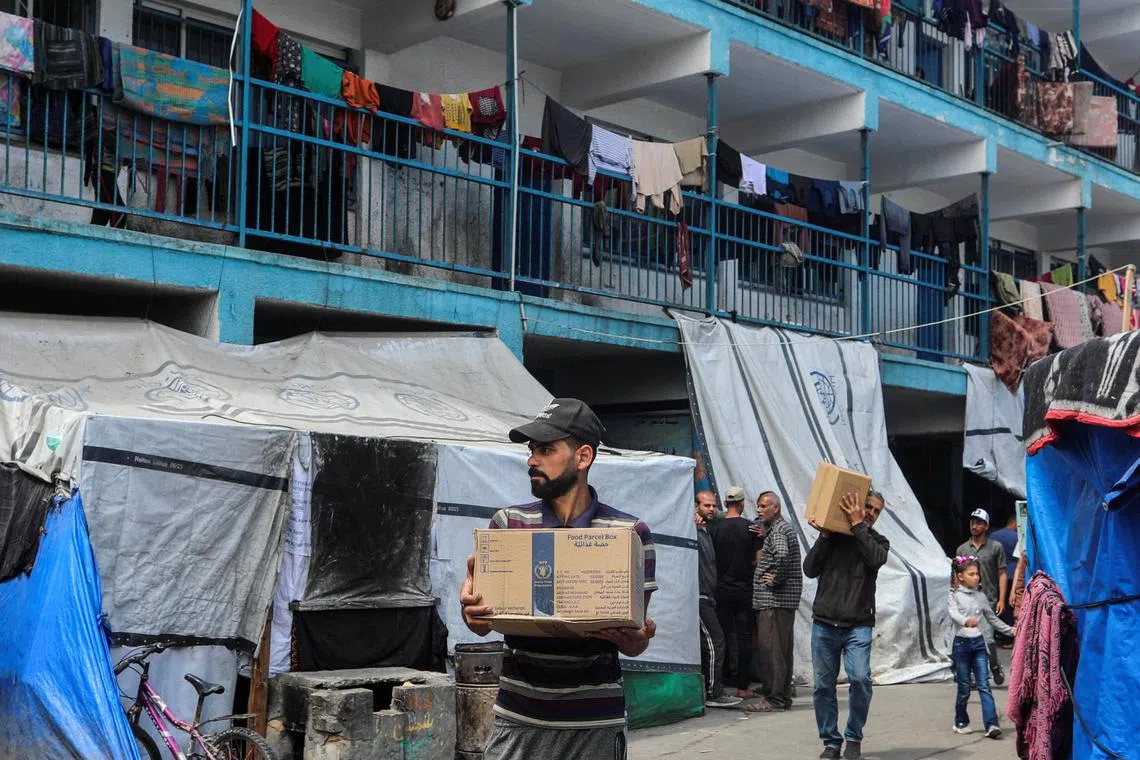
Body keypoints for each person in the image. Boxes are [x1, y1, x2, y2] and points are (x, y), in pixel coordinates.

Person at [459, 398, 657, 760]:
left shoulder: (629, 535)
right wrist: (472, 613)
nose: (532, 460)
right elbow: (482, 626)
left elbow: (635, 643)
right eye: (532, 450)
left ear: (583, 457)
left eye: (546, 449)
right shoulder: (509, 526)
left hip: (594, 725)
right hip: (519, 718)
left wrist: (634, 638)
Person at [803, 490, 889, 760]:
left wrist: (857, 525)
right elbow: (810, 568)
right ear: (857, 504)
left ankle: (853, 737)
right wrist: (825, 535)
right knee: (822, 686)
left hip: (858, 624)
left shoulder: (878, 541)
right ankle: (831, 742)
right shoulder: (834, 536)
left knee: (861, 679)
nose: (872, 513)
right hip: (825, 623)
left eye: (876, 511)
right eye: (868, 507)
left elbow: (875, 559)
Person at [948, 556, 1015, 738]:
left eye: (977, 574)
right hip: (961, 645)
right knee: (964, 687)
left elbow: (992, 619)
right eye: (971, 574)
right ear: (960, 576)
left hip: (978, 644)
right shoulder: (954, 596)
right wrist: (965, 621)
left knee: (984, 685)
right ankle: (961, 721)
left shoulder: (981, 597)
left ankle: (991, 724)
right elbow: (953, 613)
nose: (976, 577)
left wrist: (1011, 630)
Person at [747, 491, 802, 713]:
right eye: (758, 506)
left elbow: (781, 555)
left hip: (774, 601)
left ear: (775, 508)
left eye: (763, 506)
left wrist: (775, 579)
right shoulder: (779, 528)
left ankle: (775, 698)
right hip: (781, 602)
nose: (759, 510)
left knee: (772, 650)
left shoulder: (779, 529)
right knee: (782, 649)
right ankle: (781, 693)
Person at [710, 485, 762, 699]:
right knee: (744, 638)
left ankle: (719, 684)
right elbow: (758, 561)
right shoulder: (752, 529)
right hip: (744, 591)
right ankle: (742, 687)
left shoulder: (715, 530)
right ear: (742, 504)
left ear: (724, 504)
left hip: (720, 591)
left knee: (720, 637)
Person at [696, 490, 742, 708]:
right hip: (698, 597)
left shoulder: (706, 529)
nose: (712, 509)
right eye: (706, 506)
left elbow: (727, 515)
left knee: (711, 643)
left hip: (708, 595)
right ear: (695, 507)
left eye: (714, 505)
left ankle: (710, 689)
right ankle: (714, 692)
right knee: (716, 642)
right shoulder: (692, 530)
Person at [956, 509, 1008, 684]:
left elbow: (1001, 573)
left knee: (986, 637)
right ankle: (976, 674)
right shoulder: (962, 549)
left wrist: (1001, 599)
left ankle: (989, 668)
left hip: (988, 599)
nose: (974, 526)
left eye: (978, 523)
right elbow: (956, 576)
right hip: (966, 600)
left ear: (986, 526)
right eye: (972, 522)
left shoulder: (995, 547)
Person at [989, 514, 1019, 642]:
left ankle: (997, 632)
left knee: (998, 603)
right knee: (1009, 604)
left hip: (997, 573)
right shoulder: (1017, 537)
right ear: (1014, 523)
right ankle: (1008, 635)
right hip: (1013, 573)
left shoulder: (993, 535)